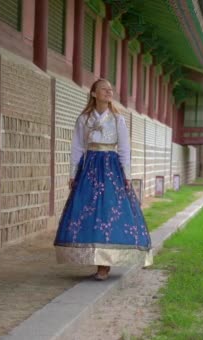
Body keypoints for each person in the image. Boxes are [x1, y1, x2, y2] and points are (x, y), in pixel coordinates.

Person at [53, 78, 152, 281]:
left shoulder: (117, 119)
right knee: (88, 211)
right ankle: (94, 255)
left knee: (108, 210)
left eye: (110, 89)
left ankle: (104, 266)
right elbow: (77, 147)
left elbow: (124, 149)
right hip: (89, 167)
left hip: (110, 168)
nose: (108, 92)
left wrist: (126, 176)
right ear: (93, 93)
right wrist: (73, 173)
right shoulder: (84, 119)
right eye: (104, 89)